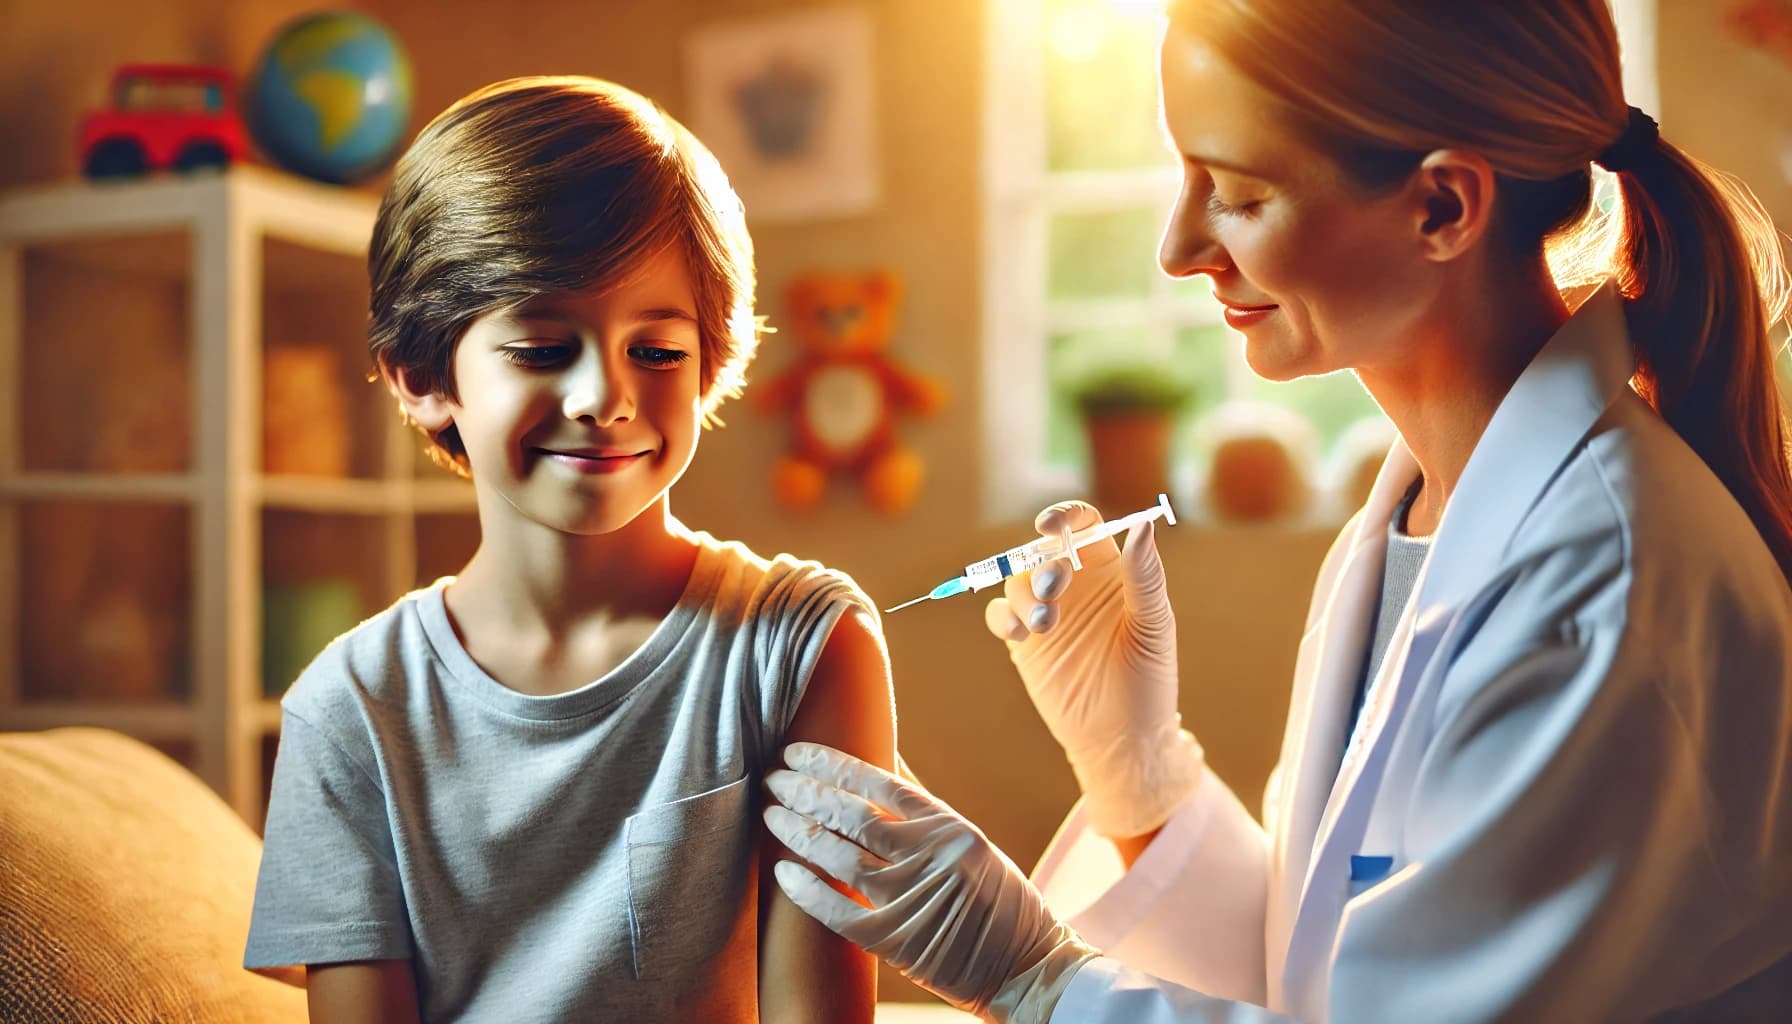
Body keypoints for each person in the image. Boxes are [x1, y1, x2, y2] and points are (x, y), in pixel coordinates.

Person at [762, 1, 1792, 1020]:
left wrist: (1031, 978)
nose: (1177, 246)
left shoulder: (1603, 585)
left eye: (1239, 195)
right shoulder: (1419, 514)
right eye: (1186, 178)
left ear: (1442, 206)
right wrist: (1139, 777)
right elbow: (1324, 974)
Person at [244, 76, 896, 1022]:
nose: (607, 397)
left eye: (658, 351)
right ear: (425, 376)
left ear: (712, 363)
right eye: (545, 347)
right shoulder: (348, 715)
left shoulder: (803, 647)